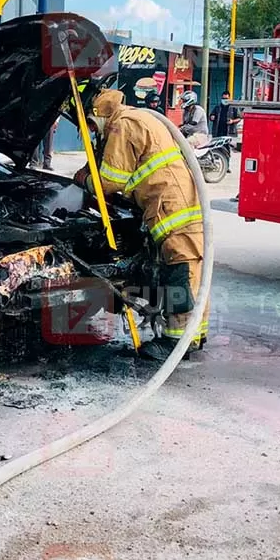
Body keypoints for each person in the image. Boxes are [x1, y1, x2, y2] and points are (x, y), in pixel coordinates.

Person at [72, 89, 209, 360]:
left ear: (98, 114)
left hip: (169, 206)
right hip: (176, 201)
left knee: (179, 270)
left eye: (89, 124)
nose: (89, 130)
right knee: (193, 267)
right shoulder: (138, 118)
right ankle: (195, 335)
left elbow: (112, 181)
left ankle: (175, 344)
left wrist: (83, 180)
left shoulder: (122, 126)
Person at [210, 90, 242, 173]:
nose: (224, 100)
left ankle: (227, 166)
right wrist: (212, 117)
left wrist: (232, 121)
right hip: (218, 132)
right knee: (215, 149)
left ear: (229, 98)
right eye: (223, 98)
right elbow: (211, 115)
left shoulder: (233, 108)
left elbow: (239, 118)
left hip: (228, 132)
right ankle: (215, 165)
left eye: (226, 98)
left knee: (226, 150)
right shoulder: (217, 107)